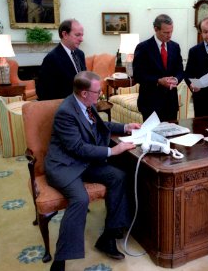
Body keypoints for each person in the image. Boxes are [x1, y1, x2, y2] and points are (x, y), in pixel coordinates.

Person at [46, 71, 141, 271]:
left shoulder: (87, 105)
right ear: (83, 93)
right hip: (66, 165)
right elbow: (77, 148)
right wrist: (112, 150)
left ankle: (108, 236)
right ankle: (60, 260)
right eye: (97, 92)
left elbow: (99, 126)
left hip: (86, 162)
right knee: (80, 199)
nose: (101, 96)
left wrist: (125, 127)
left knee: (119, 176)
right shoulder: (66, 112)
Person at [133, 14, 185, 122]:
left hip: (171, 103)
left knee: (172, 136)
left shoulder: (175, 47)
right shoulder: (143, 48)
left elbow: (180, 70)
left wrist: (176, 79)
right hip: (150, 103)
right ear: (156, 29)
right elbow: (138, 75)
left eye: (171, 31)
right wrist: (158, 81)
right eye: (166, 32)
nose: (169, 35)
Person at [37, 19, 86, 100]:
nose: (81, 39)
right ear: (65, 34)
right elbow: (43, 92)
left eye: (82, 35)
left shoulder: (80, 54)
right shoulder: (51, 58)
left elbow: (82, 80)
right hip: (63, 107)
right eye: (77, 35)